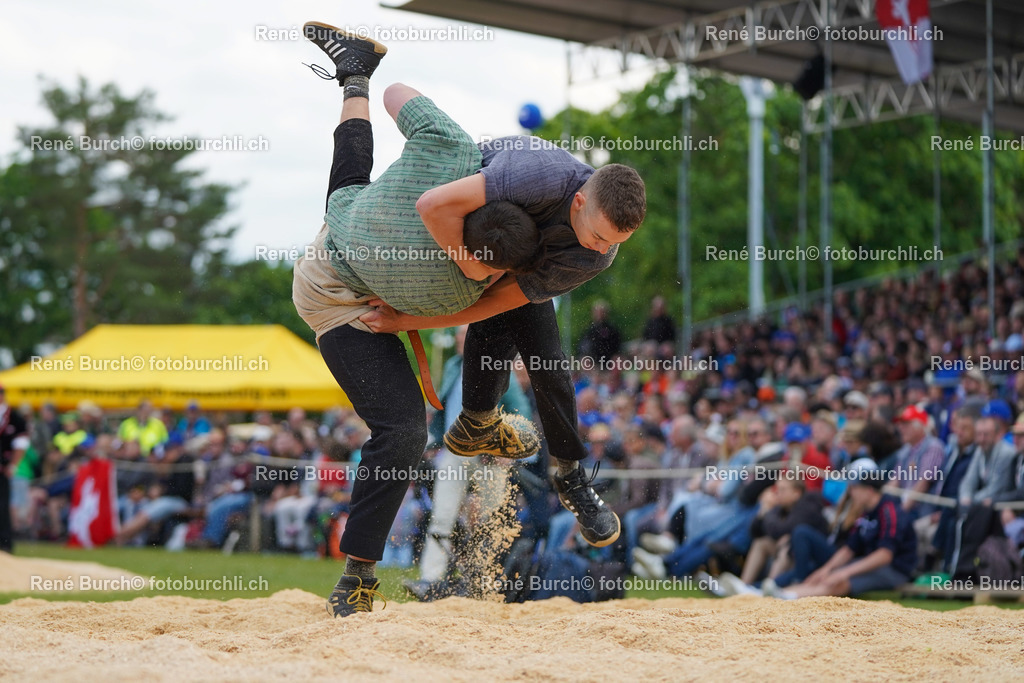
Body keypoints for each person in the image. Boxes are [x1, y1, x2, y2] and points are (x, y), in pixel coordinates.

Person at [293, 21, 554, 617]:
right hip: (335, 297)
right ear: (475, 264)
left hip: (352, 218)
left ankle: (354, 71)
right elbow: (478, 309)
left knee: (351, 180)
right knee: (404, 432)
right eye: (489, 271)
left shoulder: (449, 152)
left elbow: (402, 98)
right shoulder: (439, 289)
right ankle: (357, 574)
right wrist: (406, 322)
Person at [767, 458, 917, 599]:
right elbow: (850, 548)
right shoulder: (866, 512)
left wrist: (844, 572)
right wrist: (826, 569)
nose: (851, 492)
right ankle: (784, 594)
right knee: (827, 575)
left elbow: (885, 555)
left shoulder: (889, 511)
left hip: (894, 570)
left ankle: (790, 596)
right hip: (872, 563)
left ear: (869, 490)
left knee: (839, 581)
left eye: (855, 487)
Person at [0, 385, 30, 552]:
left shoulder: (14, 417)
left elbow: (21, 444)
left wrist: (12, 464)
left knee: (3, 505)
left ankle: (4, 544)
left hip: (3, 468)